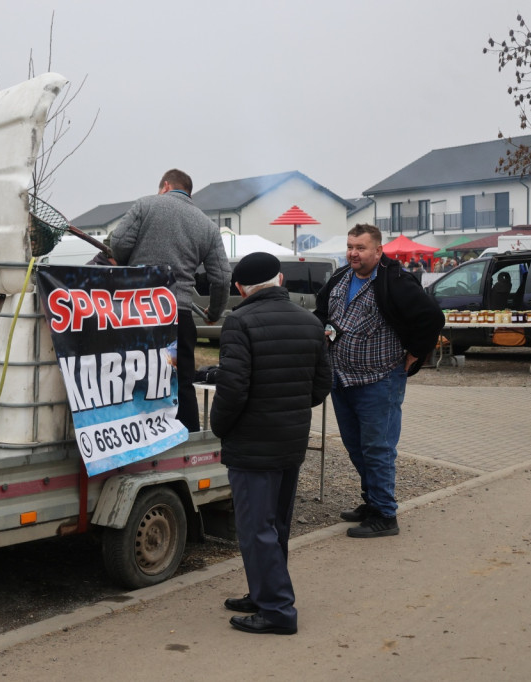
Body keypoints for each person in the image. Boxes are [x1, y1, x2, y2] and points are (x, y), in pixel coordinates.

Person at [210, 252, 331, 635]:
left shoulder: (239, 322)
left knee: (255, 527)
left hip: (252, 442)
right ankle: (264, 592)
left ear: (240, 288)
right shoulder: (310, 322)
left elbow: (232, 388)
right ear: (280, 280)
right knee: (275, 524)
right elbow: (321, 385)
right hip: (291, 438)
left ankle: (277, 610)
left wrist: (219, 427)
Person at [315, 224, 444, 538]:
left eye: (360, 248)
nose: (353, 253)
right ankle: (372, 501)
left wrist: (416, 351)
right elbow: (324, 316)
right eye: (350, 247)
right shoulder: (340, 278)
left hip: (379, 380)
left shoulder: (395, 281)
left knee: (377, 448)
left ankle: (386, 515)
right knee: (356, 447)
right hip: (341, 379)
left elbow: (432, 318)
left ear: (377, 250)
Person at [109, 169, 230, 432]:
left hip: (136, 311)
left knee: (131, 377)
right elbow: (221, 278)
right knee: (182, 381)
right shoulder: (206, 226)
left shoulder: (146, 204)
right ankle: (184, 442)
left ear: (165, 186)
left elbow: (118, 244)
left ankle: (134, 434)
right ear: (188, 192)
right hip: (178, 313)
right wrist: (214, 312)